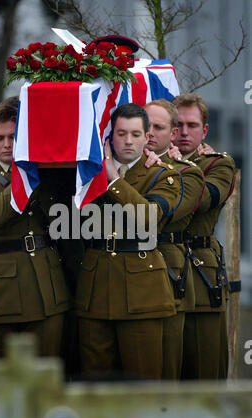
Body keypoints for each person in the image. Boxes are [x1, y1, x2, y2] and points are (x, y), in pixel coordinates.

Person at [75, 103, 182, 380]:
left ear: (147, 137)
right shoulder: (88, 173)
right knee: (94, 385)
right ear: (110, 137)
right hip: (96, 287)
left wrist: (113, 179)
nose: (128, 141)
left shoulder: (163, 174)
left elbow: (148, 219)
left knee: (143, 383)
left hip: (142, 292)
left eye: (135, 134)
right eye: (121, 133)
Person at [0, 97, 71, 359]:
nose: (7, 144)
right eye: (0, 138)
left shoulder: (44, 169)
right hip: (1, 291)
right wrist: (27, 173)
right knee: (1, 376)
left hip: (47, 284)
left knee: (48, 373)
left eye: (13, 136)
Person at [171, 92, 236, 380]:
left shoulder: (218, 164)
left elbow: (203, 199)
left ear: (205, 130)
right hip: (162, 271)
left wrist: (175, 168)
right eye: (178, 124)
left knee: (204, 372)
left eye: (192, 125)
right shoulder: (152, 163)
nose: (184, 132)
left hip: (201, 274)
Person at [144, 99, 205, 379]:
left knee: (165, 373)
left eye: (158, 127)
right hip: (125, 279)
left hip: (169, 276)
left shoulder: (185, 172)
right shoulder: (121, 168)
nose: (149, 133)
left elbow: (152, 216)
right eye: (145, 125)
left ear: (171, 135)